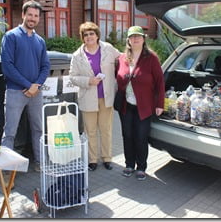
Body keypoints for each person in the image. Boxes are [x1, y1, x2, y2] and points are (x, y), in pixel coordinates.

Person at [0, 0, 50, 175]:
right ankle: (7, 170)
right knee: (10, 132)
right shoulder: (11, 36)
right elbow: (7, 66)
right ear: (23, 15)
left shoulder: (40, 41)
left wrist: (35, 86)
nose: (33, 18)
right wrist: (28, 85)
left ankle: (40, 163)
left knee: (38, 129)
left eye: (36, 16)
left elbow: (45, 66)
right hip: (15, 91)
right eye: (30, 14)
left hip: (36, 93)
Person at [69, 22, 120, 171]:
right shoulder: (77, 56)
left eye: (92, 33)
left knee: (106, 129)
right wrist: (88, 81)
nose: (89, 37)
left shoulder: (108, 49)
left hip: (106, 97)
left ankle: (107, 158)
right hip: (88, 98)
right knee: (90, 130)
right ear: (83, 38)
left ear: (97, 35)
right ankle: (92, 159)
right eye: (86, 34)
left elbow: (123, 59)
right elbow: (72, 77)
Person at [116, 26, 165, 181]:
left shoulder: (151, 58)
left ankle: (141, 167)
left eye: (138, 36)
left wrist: (160, 104)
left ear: (144, 39)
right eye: (132, 37)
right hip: (126, 104)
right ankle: (129, 164)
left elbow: (160, 82)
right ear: (128, 40)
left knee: (141, 136)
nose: (135, 39)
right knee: (127, 135)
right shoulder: (122, 58)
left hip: (144, 106)